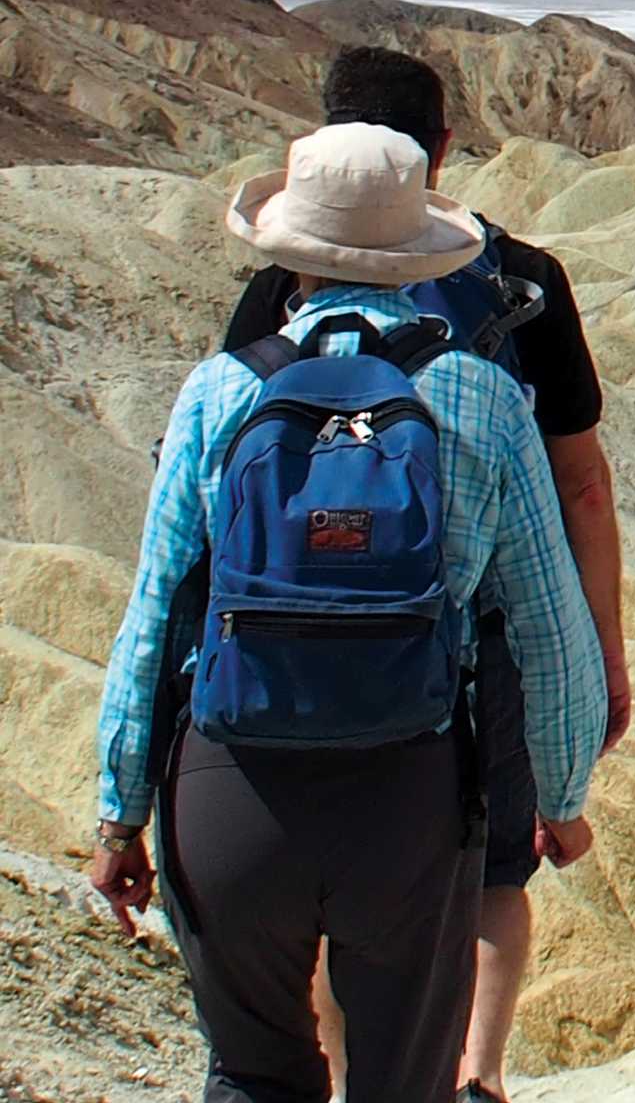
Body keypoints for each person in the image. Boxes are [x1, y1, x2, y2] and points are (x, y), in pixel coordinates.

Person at [90, 122, 608, 1101]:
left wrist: (120, 819)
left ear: (287, 254)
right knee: (401, 1083)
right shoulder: (482, 399)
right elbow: (548, 625)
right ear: (417, 261)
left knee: (251, 1073)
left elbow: (154, 615)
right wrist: (563, 798)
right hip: (407, 794)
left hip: (229, 785)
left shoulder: (217, 394)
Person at [221, 47, 631, 1103]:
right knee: (495, 871)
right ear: (443, 151)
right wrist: (600, 666)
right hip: (472, 639)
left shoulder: (277, 298)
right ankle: (478, 1076)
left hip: (286, 647)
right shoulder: (523, 281)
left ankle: (353, 1071)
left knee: (317, 887)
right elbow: (579, 485)